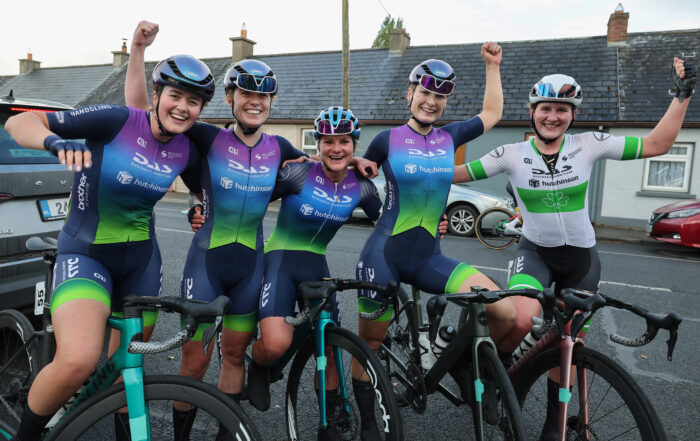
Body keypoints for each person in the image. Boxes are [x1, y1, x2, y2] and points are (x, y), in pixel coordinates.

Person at [124, 21, 377, 440]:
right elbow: (143, 117)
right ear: (230, 98)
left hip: (250, 267)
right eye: (247, 94)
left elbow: (327, 158)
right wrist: (137, 52)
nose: (255, 102)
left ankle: (227, 434)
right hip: (206, 261)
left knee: (235, 355)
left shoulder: (280, 148)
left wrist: (354, 160)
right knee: (194, 360)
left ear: (270, 102)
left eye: (263, 95)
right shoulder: (206, 138)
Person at [453, 58, 696, 440]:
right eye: (545, 109)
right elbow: (456, 175)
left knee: (569, 340)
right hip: (535, 252)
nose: (553, 116)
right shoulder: (511, 154)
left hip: (581, 259)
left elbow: (657, 144)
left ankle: (554, 423)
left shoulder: (588, 145)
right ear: (532, 113)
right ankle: (497, 378)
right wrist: (415, 154)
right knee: (518, 319)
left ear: (571, 115)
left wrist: (682, 95)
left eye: (562, 110)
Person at [5, 51, 215, 441]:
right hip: (86, 254)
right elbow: (20, 121)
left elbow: (207, 188)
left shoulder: (186, 149)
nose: (183, 108)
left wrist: (197, 206)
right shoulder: (117, 121)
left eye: (194, 101)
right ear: (157, 94)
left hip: (141, 262)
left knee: (128, 366)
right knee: (79, 360)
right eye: (175, 95)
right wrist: (52, 142)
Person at [354, 42, 515, 439]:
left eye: (440, 96)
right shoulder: (385, 140)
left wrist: (492, 66)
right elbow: (358, 174)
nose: (431, 102)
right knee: (369, 345)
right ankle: (369, 420)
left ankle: (463, 362)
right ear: (409, 94)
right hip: (384, 256)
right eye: (425, 93)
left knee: (504, 311)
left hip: (430, 257)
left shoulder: (451, 136)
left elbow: (493, 113)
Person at [243, 106, 383, 440]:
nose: (337, 148)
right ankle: (258, 363)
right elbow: (248, 198)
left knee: (329, 347)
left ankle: (329, 421)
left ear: (354, 145)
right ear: (318, 144)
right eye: (329, 141)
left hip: (317, 265)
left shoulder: (362, 186)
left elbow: (389, 225)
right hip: (280, 260)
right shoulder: (298, 174)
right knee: (276, 343)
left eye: (345, 142)